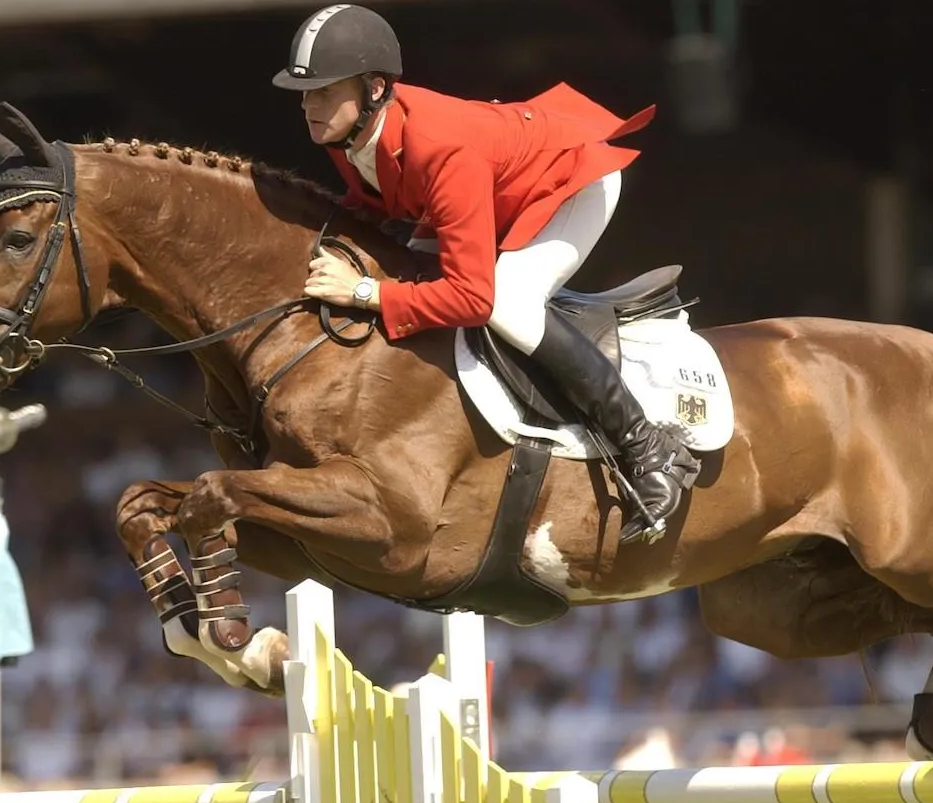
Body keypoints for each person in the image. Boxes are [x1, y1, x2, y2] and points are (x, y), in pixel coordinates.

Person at [275, 3, 701, 542]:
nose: (309, 106)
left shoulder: (439, 147)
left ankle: (649, 446)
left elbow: (472, 298)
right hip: (494, 190)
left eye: (323, 91)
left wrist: (364, 291)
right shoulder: (346, 134)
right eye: (305, 92)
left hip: (567, 182)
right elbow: (379, 205)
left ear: (375, 89)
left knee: (509, 304)